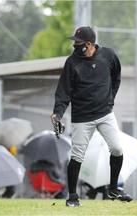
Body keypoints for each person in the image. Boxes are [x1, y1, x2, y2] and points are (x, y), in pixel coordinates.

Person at [50, 26, 132, 207]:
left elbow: (116, 77)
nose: (75, 46)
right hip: (82, 117)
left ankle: (112, 188)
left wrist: (110, 99)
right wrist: (58, 113)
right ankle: (72, 197)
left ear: (89, 44)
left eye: (78, 43)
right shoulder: (72, 62)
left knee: (117, 149)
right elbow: (63, 91)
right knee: (77, 156)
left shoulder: (108, 55)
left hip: (105, 114)